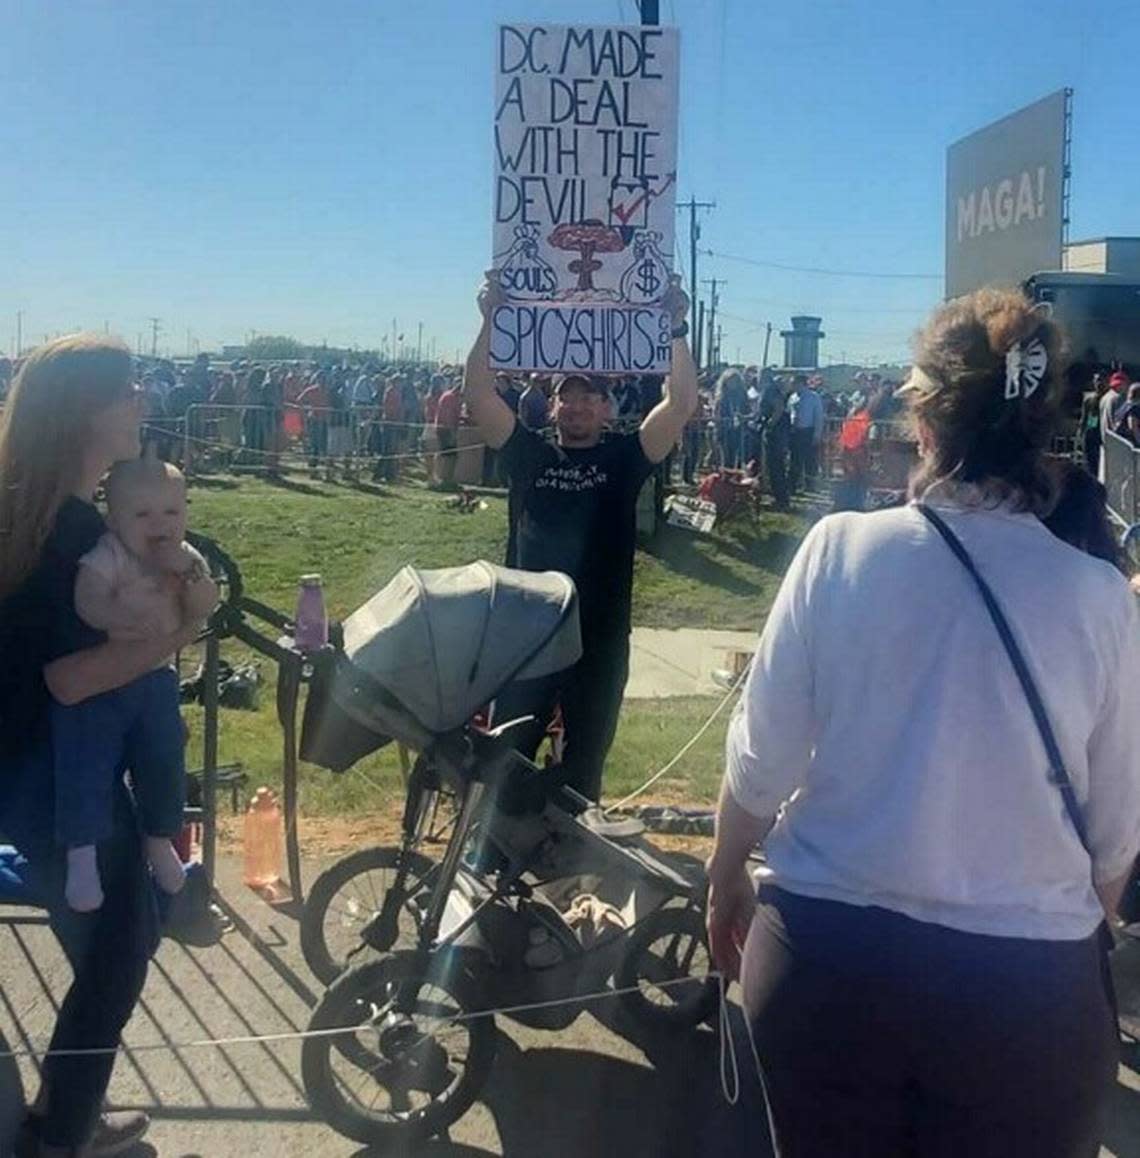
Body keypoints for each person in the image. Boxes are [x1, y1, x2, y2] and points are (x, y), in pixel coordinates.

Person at [706, 288, 1140, 1158]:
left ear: (926, 420)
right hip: (1024, 998)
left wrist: (724, 873)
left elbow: (761, 766)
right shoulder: (1100, 598)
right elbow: (1116, 840)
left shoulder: (839, 550)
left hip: (828, 963)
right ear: (1042, 423)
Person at [0, 335, 218, 1156]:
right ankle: (60, 1135)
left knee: (114, 931)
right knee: (125, 939)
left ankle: (63, 1111)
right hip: (49, 772)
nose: (143, 401)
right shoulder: (69, 529)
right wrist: (187, 625)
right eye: (129, 389)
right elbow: (69, 680)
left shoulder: (34, 508)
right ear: (84, 409)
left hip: (31, 766)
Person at [464, 272, 697, 801]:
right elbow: (477, 394)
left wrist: (676, 327)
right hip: (529, 637)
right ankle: (498, 857)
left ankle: (572, 861)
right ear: (552, 407)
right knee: (510, 759)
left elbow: (680, 402)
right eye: (567, 398)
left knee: (585, 763)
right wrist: (489, 321)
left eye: (590, 398)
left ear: (607, 408)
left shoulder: (624, 458)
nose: (578, 407)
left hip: (600, 637)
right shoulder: (529, 454)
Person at [53, 458, 212, 912]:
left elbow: (205, 605)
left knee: (164, 757)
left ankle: (160, 837)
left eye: (172, 513)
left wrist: (193, 576)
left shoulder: (187, 558)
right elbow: (89, 600)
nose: (160, 526)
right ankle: (81, 853)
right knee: (88, 761)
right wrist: (120, 615)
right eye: (143, 515)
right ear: (114, 519)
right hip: (105, 680)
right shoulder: (109, 554)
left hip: (156, 679)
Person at [787, 373, 825, 492]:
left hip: (808, 431)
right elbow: (789, 412)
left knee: (810, 460)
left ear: (801, 383)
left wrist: (817, 434)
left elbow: (818, 416)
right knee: (795, 459)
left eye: (794, 383)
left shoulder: (813, 397)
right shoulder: (792, 397)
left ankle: (810, 485)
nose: (792, 385)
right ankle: (793, 484)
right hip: (794, 431)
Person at [433, 376, 463, 488]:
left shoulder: (451, 396)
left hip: (447, 428)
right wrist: (452, 434)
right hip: (445, 430)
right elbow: (448, 417)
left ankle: (448, 478)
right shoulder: (450, 398)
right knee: (448, 455)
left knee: (452, 455)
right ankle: (444, 479)